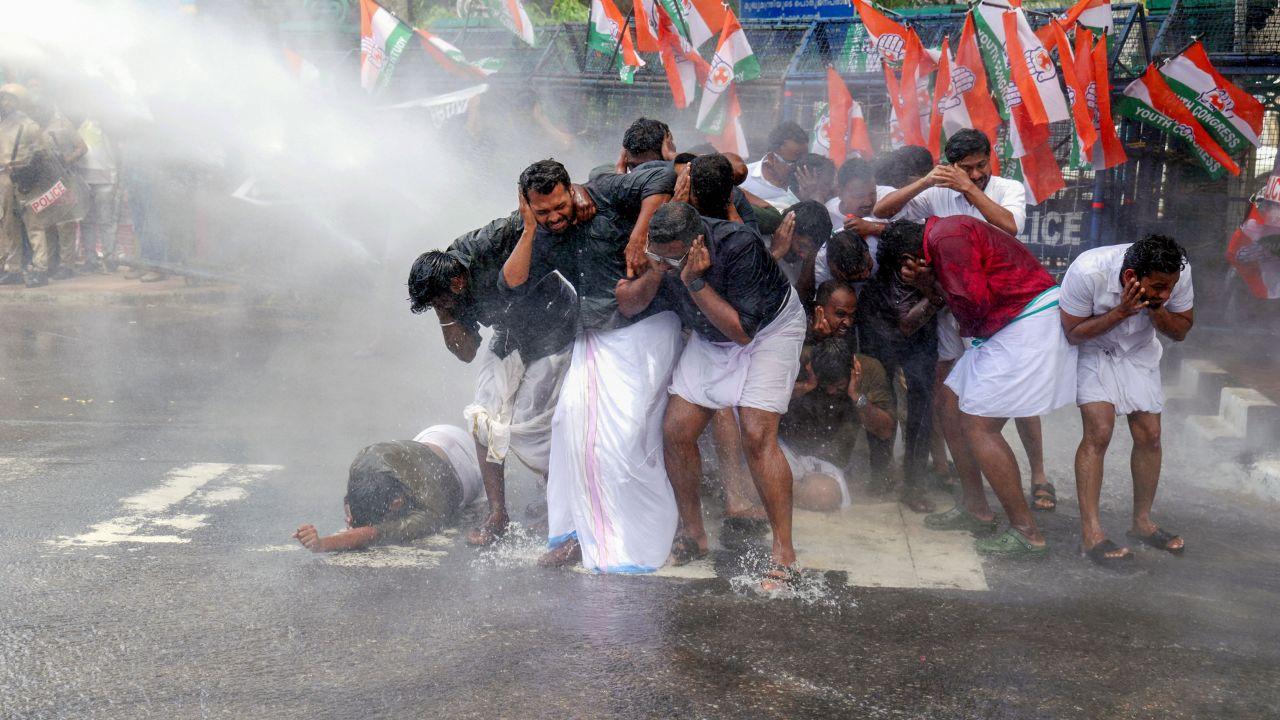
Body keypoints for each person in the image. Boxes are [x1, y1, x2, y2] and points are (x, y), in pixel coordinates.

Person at [502, 159, 684, 574]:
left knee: (625, 437)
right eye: (542, 211)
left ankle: (644, 535)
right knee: (567, 426)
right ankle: (571, 535)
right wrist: (530, 228)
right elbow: (511, 283)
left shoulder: (602, 193)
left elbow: (663, 175)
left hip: (643, 328)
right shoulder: (533, 229)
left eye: (559, 205)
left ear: (570, 189)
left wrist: (639, 234)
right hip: (592, 339)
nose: (555, 216)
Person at [616, 195, 807, 588]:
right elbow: (629, 306)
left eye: (675, 258)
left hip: (767, 332)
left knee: (756, 433)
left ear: (698, 242)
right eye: (661, 256)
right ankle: (693, 533)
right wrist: (656, 270)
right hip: (710, 336)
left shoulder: (740, 246)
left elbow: (741, 332)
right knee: (676, 430)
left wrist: (695, 281)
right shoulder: (657, 253)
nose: (668, 265)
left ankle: (784, 553)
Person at [875, 129, 1054, 513]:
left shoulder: (1007, 188)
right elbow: (884, 213)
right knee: (948, 394)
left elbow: (1008, 226)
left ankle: (1039, 475)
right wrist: (928, 180)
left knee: (1019, 399)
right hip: (951, 302)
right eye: (966, 169)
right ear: (950, 164)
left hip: (1000, 304)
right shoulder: (937, 190)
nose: (975, 174)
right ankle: (961, 478)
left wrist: (970, 191)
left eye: (980, 166)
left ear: (990, 159)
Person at [886, 217, 1077, 558]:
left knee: (979, 426)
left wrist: (932, 283)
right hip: (1001, 326)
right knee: (949, 403)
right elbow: (965, 308)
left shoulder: (948, 239)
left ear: (910, 258)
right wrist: (933, 285)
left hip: (1022, 321)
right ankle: (976, 509)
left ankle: (1026, 532)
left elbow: (972, 307)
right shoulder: (944, 237)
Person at [407, 207, 584, 547]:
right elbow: (466, 352)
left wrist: (578, 192)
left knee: (533, 423)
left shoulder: (486, 241)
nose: (442, 305)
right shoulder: (444, 296)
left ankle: (559, 503)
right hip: (511, 334)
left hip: (555, 326)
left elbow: (535, 211)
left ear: (457, 280)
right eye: (435, 303)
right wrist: (443, 313)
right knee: (483, 417)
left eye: (441, 300)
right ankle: (498, 514)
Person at [1059, 235, 1194, 565]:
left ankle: (1142, 523)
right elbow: (1072, 333)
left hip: (1138, 351)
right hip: (1093, 348)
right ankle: (1092, 535)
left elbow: (1181, 329)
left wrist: (1156, 308)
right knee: (1099, 433)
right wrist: (1121, 311)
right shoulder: (1088, 271)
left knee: (1150, 435)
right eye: (1159, 286)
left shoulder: (1179, 272)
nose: (1167, 292)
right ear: (1132, 276)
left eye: (1170, 286)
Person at [857, 228, 947, 513]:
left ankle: (914, 484)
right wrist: (931, 294)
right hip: (884, 343)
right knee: (884, 403)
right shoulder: (884, 287)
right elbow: (907, 322)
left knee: (920, 413)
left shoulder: (922, 279)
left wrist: (928, 289)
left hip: (918, 347)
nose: (931, 261)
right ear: (907, 260)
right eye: (925, 257)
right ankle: (881, 473)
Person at [292, 425, 485, 552]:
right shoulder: (363, 462)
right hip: (436, 434)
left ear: (397, 503)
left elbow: (374, 533)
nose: (349, 521)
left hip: (470, 464)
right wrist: (351, 511)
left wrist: (322, 543)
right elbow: (352, 498)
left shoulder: (432, 508)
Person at [782, 334, 895, 492]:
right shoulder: (801, 360)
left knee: (825, 494)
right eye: (825, 384)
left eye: (838, 385)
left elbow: (885, 431)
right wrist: (806, 386)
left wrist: (856, 396)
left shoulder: (870, 370)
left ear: (853, 371)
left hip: (831, 462)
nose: (831, 390)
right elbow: (762, 403)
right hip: (789, 450)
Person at [0, 83, 50, 287]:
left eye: (10, 99)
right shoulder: (3, 124)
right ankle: (14, 268)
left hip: (24, 180)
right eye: (3, 99)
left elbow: (42, 155)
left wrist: (26, 171)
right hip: (4, 179)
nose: (5, 103)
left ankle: (41, 269)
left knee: (34, 225)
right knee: (9, 225)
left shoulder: (30, 126)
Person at [31, 99, 87, 279]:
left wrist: (67, 159)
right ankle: (51, 263)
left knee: (65, 223)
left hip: (63, 179)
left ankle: (67, 265)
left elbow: (82, 147)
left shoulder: (63, 124)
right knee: (47, 223)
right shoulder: (33, 127)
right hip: (43, 183)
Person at [75, 115, 120, 274]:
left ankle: (110, 259)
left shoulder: (107, 126)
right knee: (86, 222)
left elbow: (116, 154)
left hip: (106, 181)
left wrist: (115, 181)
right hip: (84, 181)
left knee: (105, 221)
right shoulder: (78, 124)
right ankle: (91, 260)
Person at [739, 121, 807, 211]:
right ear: (771, 158)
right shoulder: (742, 179)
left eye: (804, 160)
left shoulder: (808, 185)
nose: (800, 167)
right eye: (793, 162)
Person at [770, 200, 832, 286]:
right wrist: (775, 254)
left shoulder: (804, 255)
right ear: (787, 229)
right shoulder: (757, 241)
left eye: (813, 250)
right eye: (802, 245)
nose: (804, 256)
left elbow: (802, 296)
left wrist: (810, 262)